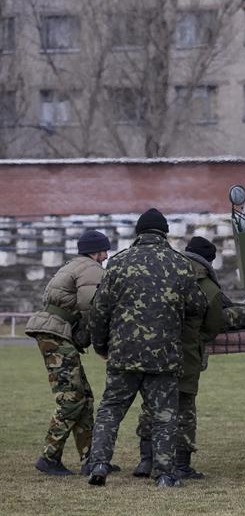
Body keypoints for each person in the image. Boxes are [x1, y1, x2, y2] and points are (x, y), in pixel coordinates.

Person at [85, 208, 205, 488]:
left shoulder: (118, 263)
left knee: (110, 410)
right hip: (164, 355)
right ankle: (164, 474)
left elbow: (99, 310)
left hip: (123, 353)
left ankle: (99, 463)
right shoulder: (180, 264)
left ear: (138, 232)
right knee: (164, 415)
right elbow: (198, 305)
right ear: (164, 232)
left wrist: (102, 346)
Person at [133, 236, 225, 480]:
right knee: (184, 408)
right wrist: (194, 339)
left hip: (154, 349)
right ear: (208, 262)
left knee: (152, 404)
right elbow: (213, 326)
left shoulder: (163, 273)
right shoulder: (210, 289)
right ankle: (181, 465)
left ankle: (146, 460)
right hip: (186, 355)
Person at [26, 230, 111, 476]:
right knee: (72, 399)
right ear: (95, 251)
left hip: (55, 333)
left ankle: (91, 459)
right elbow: (93, 308)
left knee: (84, 397)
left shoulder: (74, 265)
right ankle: (49, 458)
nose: (106, 256)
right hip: (57, 335)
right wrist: (100, 343)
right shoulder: (90, 269)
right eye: (103, 251)